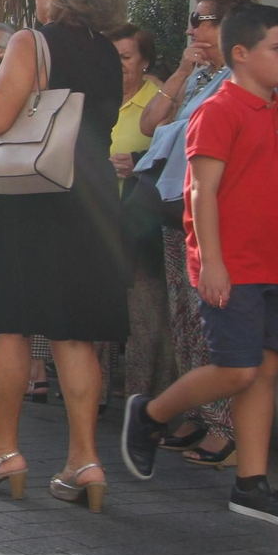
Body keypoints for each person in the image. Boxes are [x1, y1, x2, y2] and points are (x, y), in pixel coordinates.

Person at [121, 4, 278, 531]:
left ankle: (251, 484)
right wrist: (210, 261)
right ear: (241, 53)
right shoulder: (218, 110)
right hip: (234, 264)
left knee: (264, 372)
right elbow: (200, 190)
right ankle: (151, 414)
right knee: (238, 368)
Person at [0, 0, 128, 512]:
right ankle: (85, 460)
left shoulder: (31, 41)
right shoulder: (108, 52)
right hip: (91, 199)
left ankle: (1, 452)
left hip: (31, 196)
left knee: (9, 328)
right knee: (72, 333)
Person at [134, 0, 260, 466]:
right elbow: (150, 125)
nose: (191, 29)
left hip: (217, 214)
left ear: (229, 25)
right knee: (184, 318)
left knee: (213, 318)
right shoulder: (201, 76)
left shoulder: (245, 77)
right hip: (176, 208)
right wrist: (183, 71)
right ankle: (199, 412)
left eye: (200, 20)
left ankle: (226, 426)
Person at [106, 24, 171, 398]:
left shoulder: (160, 102)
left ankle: (142, 399)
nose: (118, 65)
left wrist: (140, 163)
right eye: (111, 57)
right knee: (96, 310)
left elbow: (172, 155)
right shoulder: (97, 96)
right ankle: (92, 396)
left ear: (145, 61)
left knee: (144, 314)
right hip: (98, 220)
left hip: (141, 226)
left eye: (126, 57)